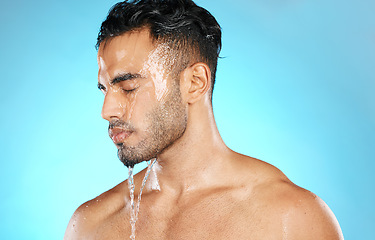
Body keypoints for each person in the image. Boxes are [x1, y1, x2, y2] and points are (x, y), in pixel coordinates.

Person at [64, 0, 344, 239]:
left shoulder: (288, 219)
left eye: (128, 87)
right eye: (105, 89)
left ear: (195, 82)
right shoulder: (92, 225)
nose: (107, 110)